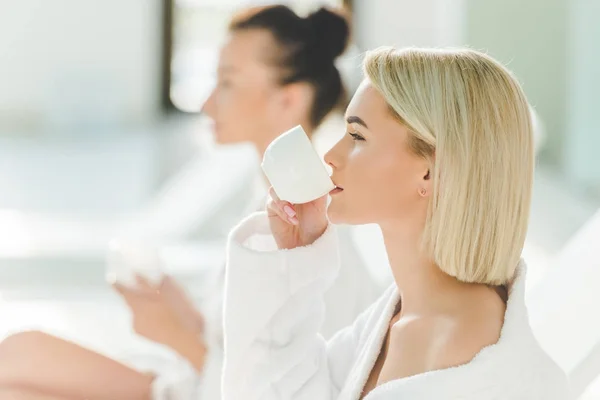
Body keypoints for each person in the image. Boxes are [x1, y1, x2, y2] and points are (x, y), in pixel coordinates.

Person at [0, 5, 381, 400]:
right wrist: (184, 316)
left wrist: (177, 335)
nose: (206, 103)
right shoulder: (266, 203)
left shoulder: (318, 241)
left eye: (227, 82)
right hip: (188, 383)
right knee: (18, 353)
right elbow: (248, 343)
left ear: (288, 99)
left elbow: (298, 389)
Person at [222, 47, 570, 399]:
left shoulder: (459, 343)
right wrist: (295, 255)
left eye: (357, 137)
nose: (330, 155)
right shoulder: (397, 318)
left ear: (430, 171)